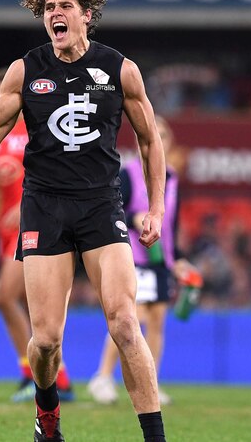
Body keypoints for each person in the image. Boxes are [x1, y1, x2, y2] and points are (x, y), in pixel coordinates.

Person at [0, 0, 168, 442]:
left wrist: (155, 208)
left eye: (65, 6)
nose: (56, 13)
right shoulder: (25, 70)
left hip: (100, 205)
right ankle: (47, 416)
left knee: (125, 322)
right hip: (45, 208)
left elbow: (152, 143)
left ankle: (156, 437)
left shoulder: (119, 69)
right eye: (49, 8)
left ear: (86, 16)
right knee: (47, 341)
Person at [0, 68, 74, 403]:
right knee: (22, 302)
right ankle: (55, 377)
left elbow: (60, 176)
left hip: (40, 225)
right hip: (13, 236)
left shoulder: (41, 130)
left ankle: (36, 375)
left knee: (5, 296)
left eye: (1, 95)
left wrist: (25, 207)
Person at [87, 117, 197, 406]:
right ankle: (103, 376)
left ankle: (152, 383)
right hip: (134, 256)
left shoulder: (171, 178)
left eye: (163, 135)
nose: (158, 140)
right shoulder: (127, 174)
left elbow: (172, 223)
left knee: (158, 321)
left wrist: (179, 260)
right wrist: (134, 220)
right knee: (128, 317)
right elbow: (111, 212)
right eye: (153, 134)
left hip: (161, 259)